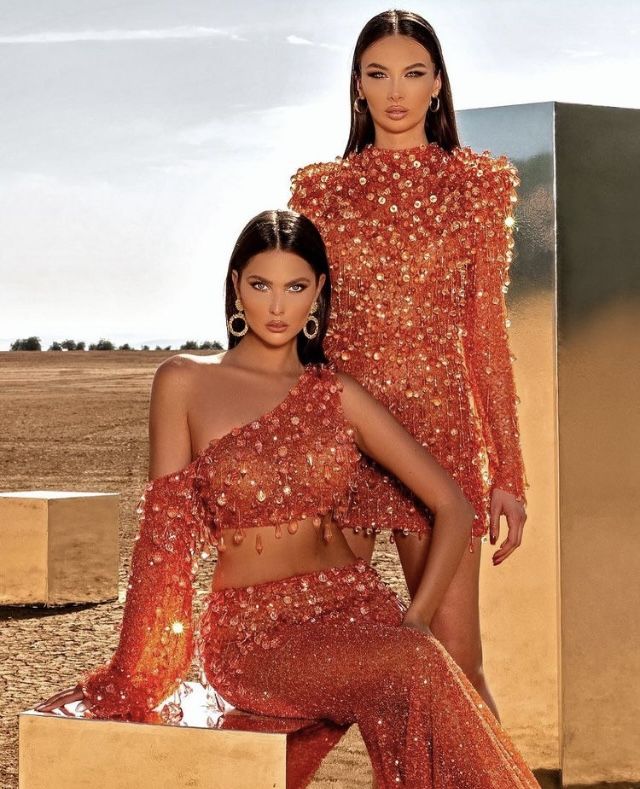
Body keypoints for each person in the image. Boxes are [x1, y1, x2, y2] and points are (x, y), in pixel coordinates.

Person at [35, 210, 537, 788]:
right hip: (255, 634)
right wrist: (137, 668)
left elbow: (453, 506)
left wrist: (416, 618)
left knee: (418, 671)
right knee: (418, 670)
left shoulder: (337, 393)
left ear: (319, 293)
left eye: (296, 287)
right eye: (261, 285)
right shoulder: (184, 382)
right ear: (235, 288)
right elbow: (163, 542)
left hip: (355, 607)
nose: (277, 307)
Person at [288, 10, 528, 720]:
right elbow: (305, 332)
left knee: (459, 667)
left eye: (414, 72)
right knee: (319, 668)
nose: (396, 91)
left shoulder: (479, 184)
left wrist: (509, 473)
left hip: (441, 441)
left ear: (438, 84)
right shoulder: (320, 190)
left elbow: (485, 333)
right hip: (345, 445)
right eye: (379, 73)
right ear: (357, 87)